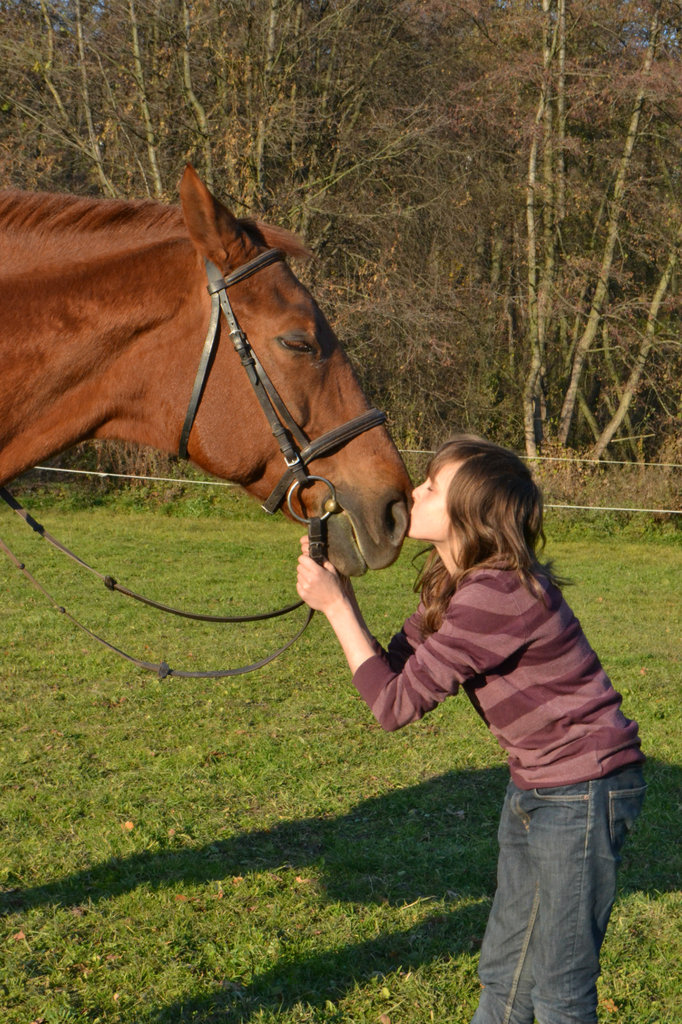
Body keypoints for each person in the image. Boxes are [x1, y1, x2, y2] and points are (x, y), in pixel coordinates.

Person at [296, 434, 645, 1024]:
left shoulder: (498, 595)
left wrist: (335, 610)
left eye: (433, 489)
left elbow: (392, 705)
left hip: (584, 789)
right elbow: (396, 671)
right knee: (505, 975)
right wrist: (343, 595)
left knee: (560, 991)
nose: (414, 492)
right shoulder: (456, 584)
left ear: (469, 517)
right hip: (540, 785)